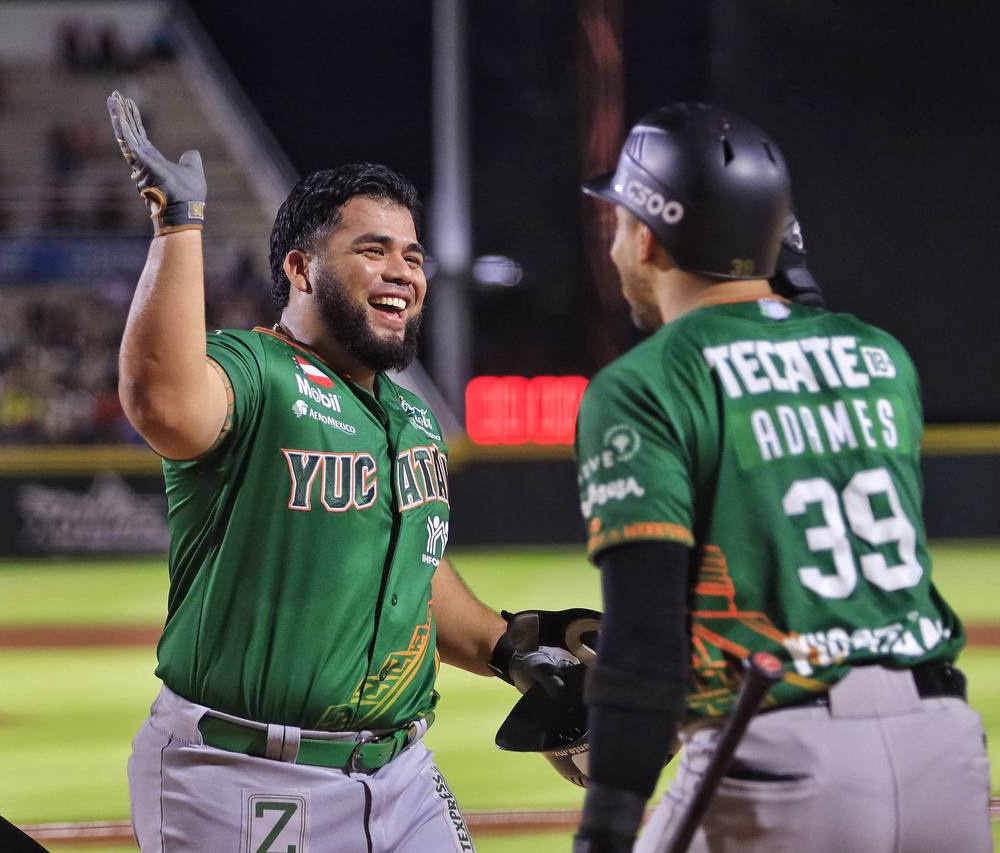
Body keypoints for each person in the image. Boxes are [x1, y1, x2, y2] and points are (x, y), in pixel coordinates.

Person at [105, 91, 582, 853]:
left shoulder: (413, 416)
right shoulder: (256, 369)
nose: (403, 271)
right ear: (300, 268)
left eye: (413, 255)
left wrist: (508, 647)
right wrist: (179, 223)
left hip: (403, 773)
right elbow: (162, 400)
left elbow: (412, 575)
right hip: (242, 776)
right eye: (373, 249)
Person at [571, 102, 991, 852]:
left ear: (647, 236)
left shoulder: (643, 383)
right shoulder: (880, 357)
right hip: (945, 754)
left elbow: (645, 641)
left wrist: (605, 826)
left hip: (780, 758)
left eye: (619, 222)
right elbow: (794, 334)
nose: (613, 246)